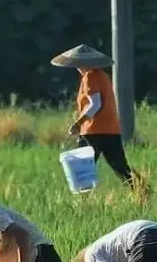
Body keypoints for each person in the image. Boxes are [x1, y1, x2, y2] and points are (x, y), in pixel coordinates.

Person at [50, 44, 140, 190]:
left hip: (94, 131)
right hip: (111, 129)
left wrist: (79, 123)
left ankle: (82, 202)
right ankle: (142, 191)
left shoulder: (89, 77)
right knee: (120, 167)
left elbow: (95, 105)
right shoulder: (102, 75)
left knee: (81, 170)